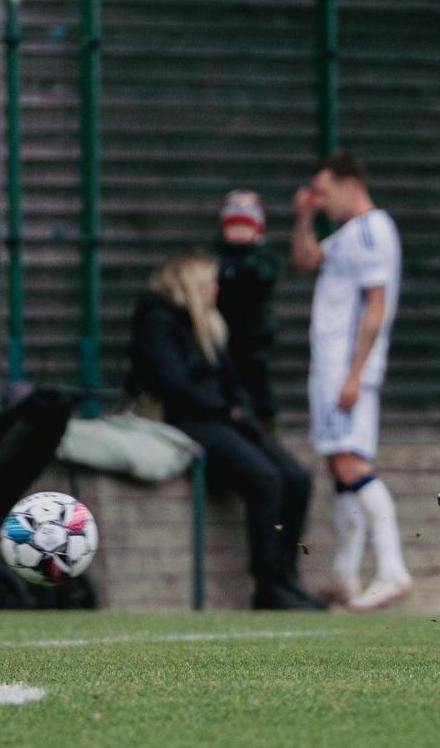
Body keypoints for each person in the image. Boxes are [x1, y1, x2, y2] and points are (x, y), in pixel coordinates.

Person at [128, 251, 321, 610]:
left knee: (297, 478)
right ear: (192, 287)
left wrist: (240, 412)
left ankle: (286, 576)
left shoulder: (210, 326)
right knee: (265, 480)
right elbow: (173, 386)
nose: (216, 289)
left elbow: (232, 379)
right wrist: (226, 410)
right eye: (210, 282)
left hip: (221, 419)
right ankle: (267, 586)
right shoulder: (158, 323)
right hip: (187, 422)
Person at [291, 153, 412, 611]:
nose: (320, 201)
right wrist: (303, 217)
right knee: (338, 465)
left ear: (350, 183)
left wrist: (355, 373)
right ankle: (345, 573)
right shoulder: (345, 235)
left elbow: (376, 307)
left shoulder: (372, 230)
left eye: (324, 192)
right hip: (333, 369)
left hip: (345, 370)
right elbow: (305, 259)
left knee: (350, 465)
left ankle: (392, 570)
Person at [214, 190, 280, 432]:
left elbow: (264, 280)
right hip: (225, 334)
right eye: (233, 226)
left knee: (258, 387)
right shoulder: (218, 258)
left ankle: (266, 425)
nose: (239, 232)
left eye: (245, 226)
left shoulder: (262, 260)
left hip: (255, 337)